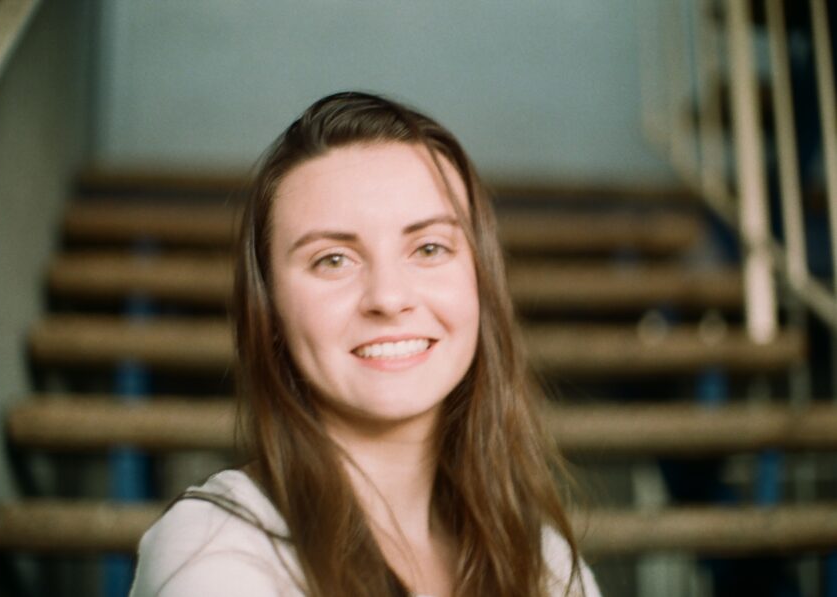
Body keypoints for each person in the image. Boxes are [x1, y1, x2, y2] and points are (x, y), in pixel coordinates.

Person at [129, 91, 601, 597]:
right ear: (269, 310)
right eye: (333, 259)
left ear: (482, 282)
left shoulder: (544, 560)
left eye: (428, 247)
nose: (389, 298)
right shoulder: (214, 549)